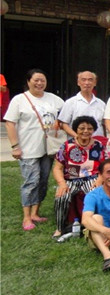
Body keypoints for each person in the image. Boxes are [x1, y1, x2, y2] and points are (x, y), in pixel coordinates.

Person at [5, 68, 64, 230]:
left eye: (42, 80)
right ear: (28, 81)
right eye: (36, 80)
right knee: (31, 181)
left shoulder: (54, 99)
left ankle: (35, 213)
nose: (39, 83)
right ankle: (26, 217)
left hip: (48, 148)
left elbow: (66, 114)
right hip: (28, 148)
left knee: (43, 180)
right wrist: (15, 146)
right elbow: (10, 123)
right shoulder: (19, 100)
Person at [52, 116, 106, 238]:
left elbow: (104, 166)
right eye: (82, 128)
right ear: (76, 129)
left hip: (91, 178)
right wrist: (61, 183)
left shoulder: (98, 145)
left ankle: (93, 226)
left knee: (95, 195)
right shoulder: (67, 145)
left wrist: (100, 179)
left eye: (89, 128)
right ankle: (60, 228)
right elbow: (57, 168)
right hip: (70, 179)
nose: (85, 131)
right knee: (62, 197)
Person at [57, 71, 106, 138]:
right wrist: (77, 137)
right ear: (78, 82)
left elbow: (104, 125)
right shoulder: (70, 102)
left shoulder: (101, 104)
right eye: (83, 80)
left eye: (90, 80)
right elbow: (64, 124)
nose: (87, 83)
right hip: (76, 141)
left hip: (97, 142)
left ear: (95, 83)